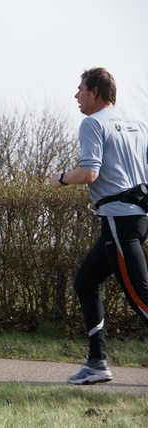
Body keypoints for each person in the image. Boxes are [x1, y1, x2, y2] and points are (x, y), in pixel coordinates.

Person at [50, 67, 148, 385]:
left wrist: (61, 179)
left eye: (80, 89)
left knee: (140, 295)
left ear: (95, 93)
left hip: (119, 220)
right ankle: (96, 362)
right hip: (137, 217)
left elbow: (89, 172)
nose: (75, 95)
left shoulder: (92, 123)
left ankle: (97, 362)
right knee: (86, 282)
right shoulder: (139, 125)